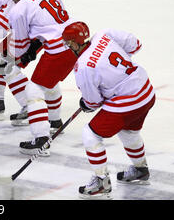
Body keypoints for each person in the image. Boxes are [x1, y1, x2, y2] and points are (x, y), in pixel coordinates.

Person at [61, 21, 156, 199]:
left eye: (68, 43)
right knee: (128, 131)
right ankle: (140, 169)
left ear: (75, 43)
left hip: (128, 100)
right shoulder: (104, 34)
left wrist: (85, 103)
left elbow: (93, 102)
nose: (68, 47)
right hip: (146, 91)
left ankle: (101, 182)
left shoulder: (83, 66)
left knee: (90, 134)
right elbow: (135, 43)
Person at [3, 0, 78, 156]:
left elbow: (20, 45)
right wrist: (36, 44)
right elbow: (54, 25)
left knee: (34, 91)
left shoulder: (19, 9)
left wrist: (20, 57)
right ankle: (53, 122)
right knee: (48, 83)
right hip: (74, 46)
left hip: (57, 52)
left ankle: (41, 139)